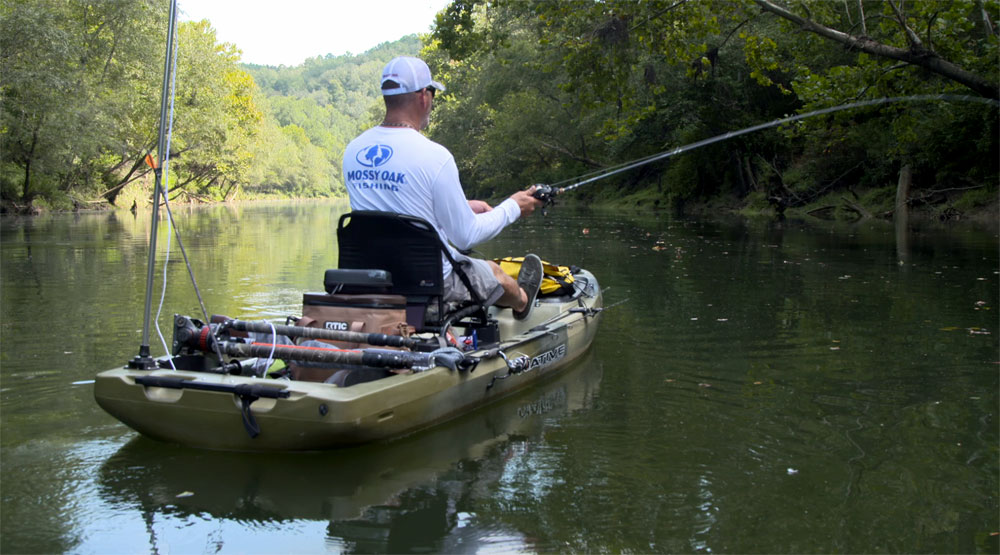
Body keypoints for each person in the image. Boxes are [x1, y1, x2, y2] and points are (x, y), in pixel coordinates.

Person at [342, 56, 545, 320]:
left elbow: (390, 209)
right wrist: (513, 207)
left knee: (478, 266)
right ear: (424, 96)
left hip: (373, 280)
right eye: (433, 94)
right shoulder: (435, 157)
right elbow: (466, 236)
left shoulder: (353, 150)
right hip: (431, 283)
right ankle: (523, 303)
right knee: (495, 272)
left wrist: (463, 206)